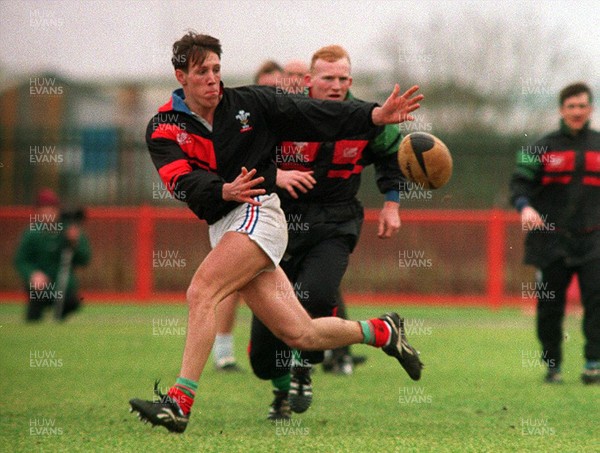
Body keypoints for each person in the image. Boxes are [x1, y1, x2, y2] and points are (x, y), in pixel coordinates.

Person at [129, 32, 424, 433]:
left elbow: (315, 114)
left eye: (217, 69)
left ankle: (179, 403)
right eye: (202, 72)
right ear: (181, 75)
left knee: (201, 292)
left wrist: (372, 116)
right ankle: (382, 331)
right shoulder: (163, 127)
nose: (213, 79)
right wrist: (221, 189)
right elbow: (179, 182)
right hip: (226, 222)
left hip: (258, 215)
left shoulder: (251, 102)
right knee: (299, 332)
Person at [249, 45, 407, 419]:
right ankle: (280, 388)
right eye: (327, 78)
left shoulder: (371, 116)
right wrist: (277, 176)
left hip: (335, 224)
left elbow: (391, 156)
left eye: (342, 79)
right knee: (264, 353)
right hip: (277, 224)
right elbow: (247, 157)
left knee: (318, 296)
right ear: (309, 81)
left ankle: (305, 366)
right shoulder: (283, 114)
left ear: (350, 81)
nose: (336, 86)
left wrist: (391, 204)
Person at [510, 82, 600, 385]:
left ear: (590, 109)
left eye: (582, 106)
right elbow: (518, 185)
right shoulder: (537, 148)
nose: (577, 111)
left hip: (593, 240)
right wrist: (525, 208)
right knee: (549, 308)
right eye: (571, 106)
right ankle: (553, 365)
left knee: (597, 302)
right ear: (562, 109)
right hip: (550, 240)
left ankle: (593, 364)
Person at [211, 58, 288, 372]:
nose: (272, 93)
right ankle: (224, 352)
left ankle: (367, 337)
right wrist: (277, 176)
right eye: (266, 87)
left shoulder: (289, 115)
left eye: (277, 88)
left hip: (283, 213)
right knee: (227, 284)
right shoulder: (243, 120)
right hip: (247, 209)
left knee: (297, 316)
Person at [14, 188, 91, 322]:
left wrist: (74, 243)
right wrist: (32, 274)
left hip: (64, 286)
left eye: (51, 208)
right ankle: (33, 322)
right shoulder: (32, 233)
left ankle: (60, 321)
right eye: (44, 209)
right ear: (38, 211)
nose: (48, 212)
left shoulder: (70, 229)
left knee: (73, 301)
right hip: (40, 287)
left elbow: (84, 259)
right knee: (36, 301)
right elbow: (21, 260)